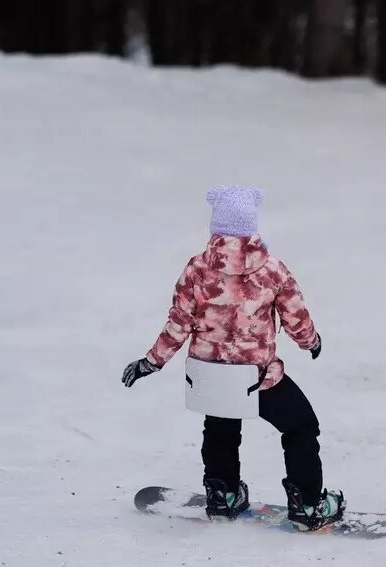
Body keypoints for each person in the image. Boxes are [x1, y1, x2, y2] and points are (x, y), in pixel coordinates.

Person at [120, 186, 345, 531]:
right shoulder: (272, 270)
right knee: (300, 426)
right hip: (256, 376)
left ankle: (223, 495)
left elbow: (179, 322)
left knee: (220, 427)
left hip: (209, 373)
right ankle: (309, 505)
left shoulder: (197, 269)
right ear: (252, 226)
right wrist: (310, 341)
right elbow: (295, 316)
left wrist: (152, 361)